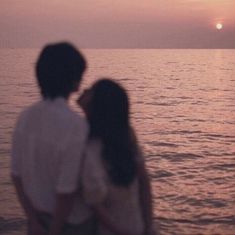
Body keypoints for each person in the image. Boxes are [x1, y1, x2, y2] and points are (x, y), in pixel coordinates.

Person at [11, 42, 95, 235]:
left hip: (37, 221)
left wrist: (32, 220)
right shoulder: (76, 125)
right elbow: (66, 192)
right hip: (71, 225)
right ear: (75, 81)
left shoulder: (24, 117)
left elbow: (16, 175)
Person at [78, 79, 155, 235]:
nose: (85, 90)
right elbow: (144, 182)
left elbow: (95, 204)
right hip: (136, 225)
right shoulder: (125, 135)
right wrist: (148, 225)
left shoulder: (86, 142)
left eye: (91, 90)